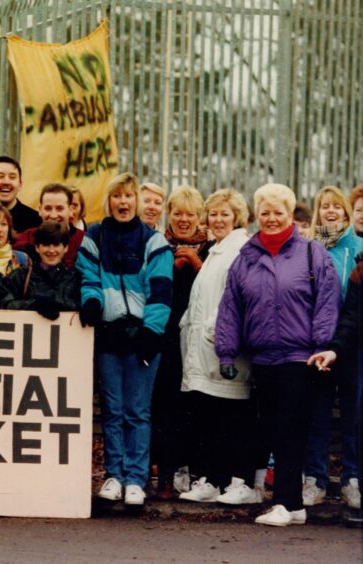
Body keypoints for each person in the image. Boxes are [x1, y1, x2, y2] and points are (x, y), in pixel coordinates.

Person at [216, 183, 341, 527]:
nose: (271, 219)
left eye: (279, 212)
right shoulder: (247, 257)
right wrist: (226, 352)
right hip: (264, 359)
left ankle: (284, 502)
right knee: (274, 429)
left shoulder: (312, 253)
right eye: (265, 212)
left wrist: (321, 346)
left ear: (290, 215)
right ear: (258, 215)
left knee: (290, 430)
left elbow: (328, 303)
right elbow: (231, 308)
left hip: (302, 358)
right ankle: (295, 506)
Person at [76, 172, 173, 507]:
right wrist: (92, 301)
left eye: (128, 196)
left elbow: (161, 290)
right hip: (109, 334)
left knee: (138, 411)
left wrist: (152, 331)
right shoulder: (95, 235)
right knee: (113, 410)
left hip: (143, 335)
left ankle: (136, 478)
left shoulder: (153, 241)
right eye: (117, 196)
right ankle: (114, 475)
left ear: (137, 201)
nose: (123, 202)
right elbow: (88, 276)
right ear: (109, 200)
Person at [178, 189, 260, 505]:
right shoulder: (216, 250)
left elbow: (234, 300)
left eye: (225, 213)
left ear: (237, 216)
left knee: (233, 417)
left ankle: (239, 483)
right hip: (203, 350)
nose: (218, 219)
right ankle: (212, 479)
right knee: (210, 416)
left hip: (224, 348)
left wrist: (216, 334)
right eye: (213, 214)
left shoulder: (240, 249)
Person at [302, 186, 362, 509]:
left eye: (336, 207)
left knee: (353, 414)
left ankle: (352, 479)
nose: (330, 212)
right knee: (318, 414)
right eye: (324, 207)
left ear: (345, 211)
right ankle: (316, 479)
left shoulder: (360, 247)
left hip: (352, 345)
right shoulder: (310, 249)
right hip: (318, 343)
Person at [150, 185, 211, 500]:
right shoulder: (159, 245)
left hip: (202, 338)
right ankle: (165, 476)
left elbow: (217, 289)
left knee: (197, 406)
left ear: (199, 216)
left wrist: (197, 265)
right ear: (168, 215)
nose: (183, 219)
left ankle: (198, 474)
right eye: (177, 213)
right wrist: (171, 270)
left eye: (190, 214)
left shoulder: (211, 248)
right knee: (166, 405)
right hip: (168, 337)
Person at [0, 221, 80, 318]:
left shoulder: (75, 278)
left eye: (56, 245)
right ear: (37, 247)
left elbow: (85, 305)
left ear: (65, 248)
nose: (51, 251)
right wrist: (33, 305)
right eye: (46, 245)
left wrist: (62, 305)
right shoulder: (22, 276)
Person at [14, 183, 85, 269]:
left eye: (59, 208)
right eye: (48, 208)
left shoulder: (83, 241)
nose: (53, 215)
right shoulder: (26, 238)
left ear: (70, 210)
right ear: (40, 210)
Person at [0, 155, 40, 234]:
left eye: (12, 177)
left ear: (20, 185)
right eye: (0, 176)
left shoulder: (35, 221)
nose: (6, 182)